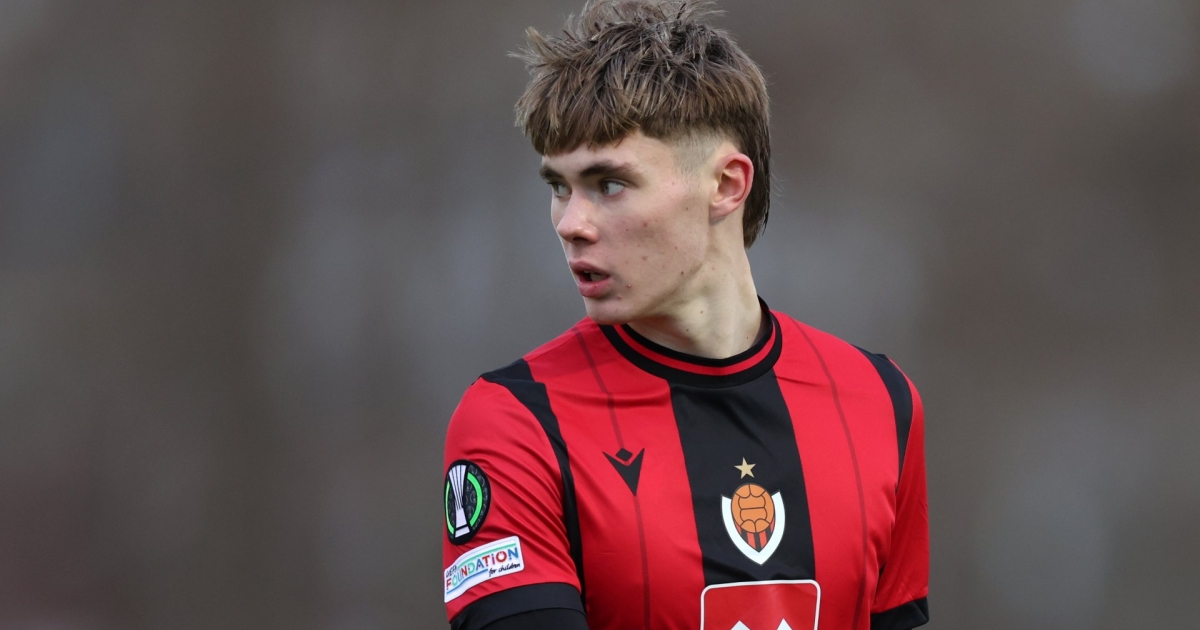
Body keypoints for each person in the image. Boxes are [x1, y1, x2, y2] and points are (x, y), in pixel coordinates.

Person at [441, 1, 929, 629]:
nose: (570, 223)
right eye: (558, 187)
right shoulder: (515, 421)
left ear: (726, 185)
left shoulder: (879, 401)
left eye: (608, 184)